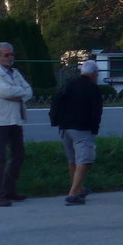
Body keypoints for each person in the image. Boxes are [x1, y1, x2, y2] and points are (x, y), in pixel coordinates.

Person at [49, 59, 103, 205]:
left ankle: (79, 188)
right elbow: (96, 112)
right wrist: (94, 129)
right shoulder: (93, 88)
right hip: (82, 129)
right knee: (83, 161)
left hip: (65, 127)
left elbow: (57, 101)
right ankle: (73, 194)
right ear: (94, 74)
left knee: (72, 160)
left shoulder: (69, 84)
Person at [0, 41, 34, 207]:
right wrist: (17, 93)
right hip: (0, 121)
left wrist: (17, 95)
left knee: (19, 154)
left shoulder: (15, 73)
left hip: (15, 119)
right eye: (6, 55)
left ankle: (9, 189)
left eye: (12, 54)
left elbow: (29, 91)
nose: (10, 57)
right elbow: (5, 91)